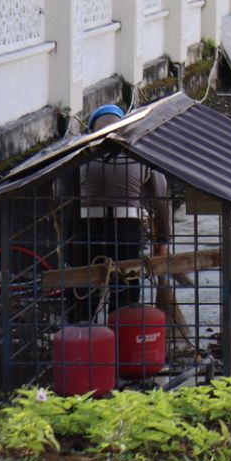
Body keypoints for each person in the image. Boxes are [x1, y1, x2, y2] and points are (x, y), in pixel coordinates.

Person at [71, 104, 172, 319]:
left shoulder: (80, 156)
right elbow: (161, 197)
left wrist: (67, 233)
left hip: (88, 228)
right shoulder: (139, 154)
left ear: (92, 130)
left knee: (85, 290)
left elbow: (62, 193)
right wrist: (162, 239)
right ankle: (120, 337)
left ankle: (82, 336)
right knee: (125, 288)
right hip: (127, 229)